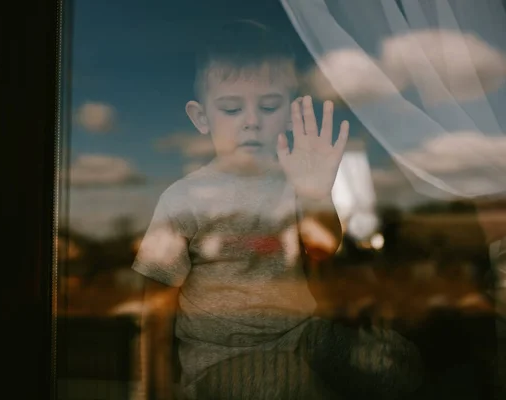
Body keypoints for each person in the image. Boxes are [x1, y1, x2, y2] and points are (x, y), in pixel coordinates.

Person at [132, 20, 423, 400]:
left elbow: (323, 247)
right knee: (288, 385)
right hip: (224, 359)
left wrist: (316, 193)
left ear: (288, 111)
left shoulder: (295, 181)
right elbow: (155, 306)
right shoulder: (185, 198)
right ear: (201, 117)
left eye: (268, 106)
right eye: (232, 108)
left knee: (396, 362)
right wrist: (153, 388)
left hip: (303, 337)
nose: (252, 120)